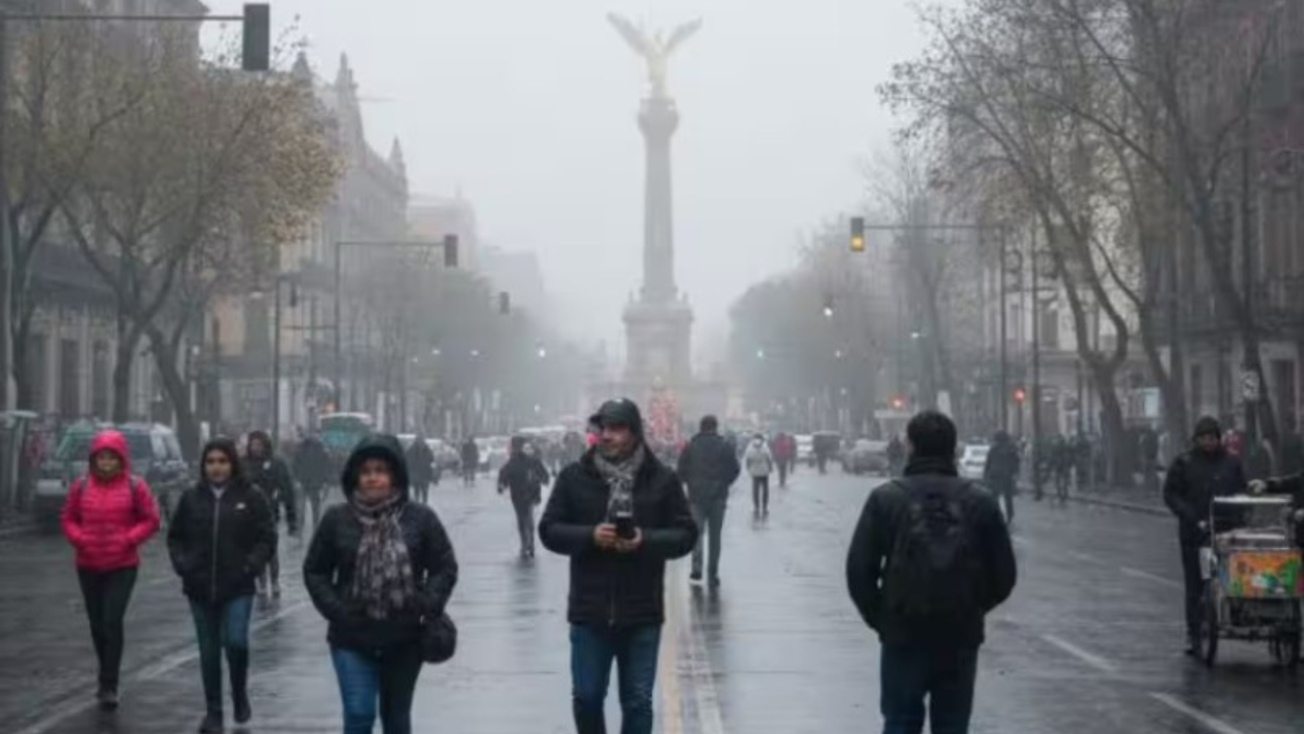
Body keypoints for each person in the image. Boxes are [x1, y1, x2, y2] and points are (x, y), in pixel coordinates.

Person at [845, 411, 1017, 734]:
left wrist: (883, 617)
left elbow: (859, 571)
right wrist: (973, 607)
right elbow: (1004, 575)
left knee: (900, 723)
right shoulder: (979, 501)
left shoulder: (886, 498)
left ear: (910, 446)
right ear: (952, 449)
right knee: (952, 725)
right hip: (959, 634)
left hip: (903, 631)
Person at [539, 398, 697, 734]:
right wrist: (590, 536)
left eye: (616, 427)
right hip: (590, 611)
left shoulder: (662, 480)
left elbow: (686, 534)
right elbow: (549, 530)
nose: (606, 435)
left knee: (638, 702)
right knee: (587, 697)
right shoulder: (573, 477)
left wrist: (645, 540)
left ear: (635, 433)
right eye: (603, 428)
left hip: (641, 612)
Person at [304, 434, 458, 734]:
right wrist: (338, 610)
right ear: (355, 476)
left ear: (395, 475)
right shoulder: (337, 519)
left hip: (404, 637)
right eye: (366, 471)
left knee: (396, 719)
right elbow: (315, 571)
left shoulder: (420, 518)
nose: (372, 478)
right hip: (351, 635)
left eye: (380, 471)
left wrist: (426, 603)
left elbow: (444, 566)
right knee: (360, 713)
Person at [168, 439, 276, 733]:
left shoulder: (251, 496)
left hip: (238, 585)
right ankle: (213, 711)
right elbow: (175, 536)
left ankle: (239, 693)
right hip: (199, 587)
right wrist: (183, 564)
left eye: (222, 461)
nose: (216, 467)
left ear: (232, 463)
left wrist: (251, 565)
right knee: (208, 651)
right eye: (211, 462)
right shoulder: (192, 497)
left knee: (236, 641)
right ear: (204, 466)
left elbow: (267, 537)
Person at [59, 429, 161, 711]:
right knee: (96, 624)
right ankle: (106, 671)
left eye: (111, 458)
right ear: (94, 459)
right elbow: (67, 518)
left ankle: (109, 684)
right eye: (101, 458)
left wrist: (129, 539)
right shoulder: (80, 486)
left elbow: (151, 519)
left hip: (122, 565)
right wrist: (79, 538)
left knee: (111, 621)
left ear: (120, 459)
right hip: (88, 564)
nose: (106, 463)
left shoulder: (134, 486)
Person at [1163, 416, 1246, 656]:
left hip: (1227, 531)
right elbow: (1170, 494)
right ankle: (1193, 632)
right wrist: (1188, 514)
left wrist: (1241, 513)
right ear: (1196, 439)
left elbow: (1241, 489)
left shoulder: (1231, 462)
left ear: (1218, 438)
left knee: (1229, 578)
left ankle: (1226, 618)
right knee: (1195, 584)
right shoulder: (1184, 462)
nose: (1208, 442)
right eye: (1203, 438)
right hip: (1194, 534)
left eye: (1212, 437)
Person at [677, 415, 741, 587]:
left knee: (696, 534)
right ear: (715, 427)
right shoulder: (725, 446)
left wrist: (690, 483)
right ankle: (713, 572)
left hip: (696, 497)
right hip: (718, 497)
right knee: (715, 537)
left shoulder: (690, 446)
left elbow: (680, 469)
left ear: (701, 427)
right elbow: (735, 469)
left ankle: (696, 569)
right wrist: (724, 483)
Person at [245, 430, 298, 597]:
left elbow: (287, 489)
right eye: (253, 445)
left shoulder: (277, 463)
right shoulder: (244, 463)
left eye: (259, 445)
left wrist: (292, 519)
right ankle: (261, 581)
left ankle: (274, 581)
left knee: (270, 549)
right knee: (255, 548)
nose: (256, 448)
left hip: (270, 513)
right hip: (249, 515)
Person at [498, 437, 551, 558]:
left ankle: (527, 543)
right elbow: (504, 474)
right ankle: (528, 543)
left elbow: (504, 474)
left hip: (525, 494)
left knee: (524, 518)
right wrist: (502, 484)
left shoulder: (522, 461)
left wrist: (502, 485)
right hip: (524, 494)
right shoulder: (522, 460)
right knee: (525, 518)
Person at [293, 431, 334, 531]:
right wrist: (326, 482)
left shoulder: (301, 448)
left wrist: (296, 479)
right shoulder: (322, 450)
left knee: (301, 508)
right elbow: (326, 468)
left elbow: (295, 465)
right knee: (315, 507)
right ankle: (315, 528)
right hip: (315, 483)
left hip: (303, 481)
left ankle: (300, 530)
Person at [983, 431, 1021, 524]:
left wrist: (986, 475)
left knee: (994, 497)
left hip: (995, 475)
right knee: (1008, 497)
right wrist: (1015, 473)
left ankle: (996, 516)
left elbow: (988, 463)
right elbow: (1016, 462)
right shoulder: (1011, 448)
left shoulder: (993, 448)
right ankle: (1009, 515)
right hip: (1007, 475)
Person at [743, 433, 775, 517]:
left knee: (755, 490)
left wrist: (748, 468)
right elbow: (769, 458)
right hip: (764, 471)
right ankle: (764, 507)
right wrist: (770, 468)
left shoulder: (750, 447)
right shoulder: (765, 446)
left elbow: (747, 459)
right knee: (765, 490)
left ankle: (756, 507)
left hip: (754, 472)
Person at [405, 435, 436, 506]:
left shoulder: (426, 450)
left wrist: (432, 470)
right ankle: (420, 502)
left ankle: (423, 502)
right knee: (419, 489)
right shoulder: (412, 449)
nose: (420, 442)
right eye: (419, 440)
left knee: (422, 489)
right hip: (419, 472)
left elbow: (432, 460)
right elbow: (407, 460)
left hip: (423, 472)